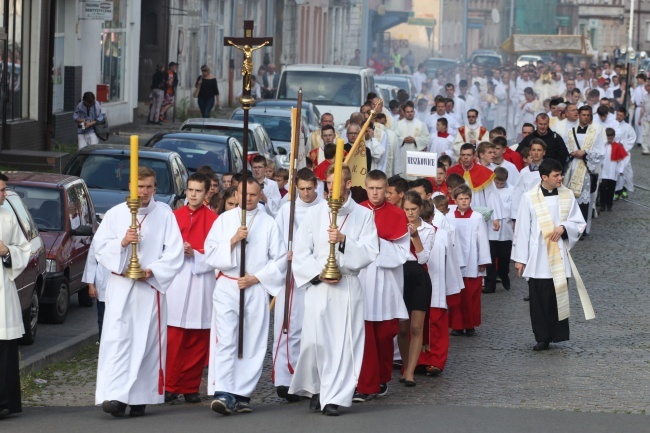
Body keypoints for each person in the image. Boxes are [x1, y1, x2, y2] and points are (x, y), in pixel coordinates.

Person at [289, 165, 379, 416]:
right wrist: (318, 274)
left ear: (349, 184)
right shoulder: (315, 213)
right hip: (319, 286)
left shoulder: (363, 215)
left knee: (342, 343)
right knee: (315, 342)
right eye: (327, 184)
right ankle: (318, 388)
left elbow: (370, 252)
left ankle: (335, 397)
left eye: (335, 183)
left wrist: (343, 241)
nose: (330, 189)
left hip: (346, 286)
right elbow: (301, 251)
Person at [95, 167, 184, 417]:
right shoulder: (116, 214)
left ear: (155, 188)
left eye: (149, 187)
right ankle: (116, 395)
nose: (144, 192)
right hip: (121, 286)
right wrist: (122, 243)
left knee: (146, 343)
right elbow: (100, 248)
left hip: (149, 289)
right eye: (139, 187)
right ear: (131, 187)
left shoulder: (165, 214)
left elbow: (174, 252)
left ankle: (139, 397)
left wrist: (152, 270)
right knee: (118, 340)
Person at [205, 178, 287, 415]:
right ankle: (223, 391)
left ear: (260, 194)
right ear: (237, 193)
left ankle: (242, 393)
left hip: (253, 286)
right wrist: (233, 241)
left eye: (253, 194)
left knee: (251, 340)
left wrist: (257, 277)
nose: (248, 198)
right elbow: (210, 253)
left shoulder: (268, 223)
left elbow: (280, 258)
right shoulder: (225, 220)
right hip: (228, 286)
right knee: (227, 338)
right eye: (244, 194)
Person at [511, 159, 587, 351]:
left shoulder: (567, 195)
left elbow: (579, 223)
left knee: (557, 296)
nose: (560, 178)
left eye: (561, 174)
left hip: (559, 255)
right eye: (556, 175)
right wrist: (520, 259)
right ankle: (542, 337)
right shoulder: (529, 197)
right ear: (544, 177)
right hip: (537, 257)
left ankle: (557, 334)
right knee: (538, 299)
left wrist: (563, 227)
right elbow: (522, 229)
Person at [355, 170, 409, 401]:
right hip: (361, 280)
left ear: (386, 189)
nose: (375, 193)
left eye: (380, 188)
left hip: (385, 283)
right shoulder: (356, 212)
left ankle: (382, 378)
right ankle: (365, 384)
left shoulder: (397, 215)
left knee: (385, 335)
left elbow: (401, 253)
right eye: (371, 188)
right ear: (366, 188)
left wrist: (376, 243)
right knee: (363, 335)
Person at [165, 173, 217, 403]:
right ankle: (169, 386)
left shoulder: (214, 220)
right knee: (174, 338)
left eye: (198, 191)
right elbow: (163, 248)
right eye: (190, 190)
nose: (193, 194)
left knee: (197, 338)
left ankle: (190, 387)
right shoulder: (173, 217)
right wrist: (179, 251)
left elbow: (217, 256)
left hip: (201, 283)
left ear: (206, 194)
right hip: (177, 281)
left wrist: (194, 253)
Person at [272, 168, 323, 402]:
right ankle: (284, 377)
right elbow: (279, 240)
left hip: (315, 274)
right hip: (291, 273)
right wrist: (286, 255)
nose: (305, 193)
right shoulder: (286, 210)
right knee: (287, 324)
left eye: (309, 189)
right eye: (301, 189)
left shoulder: (324, 208)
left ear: (316, 186)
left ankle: (310, 380)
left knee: (312, 327)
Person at [0, 172, 31, 420]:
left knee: (4, 349)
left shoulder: (9, 217)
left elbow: (25, 249)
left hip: (2, 291)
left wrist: (5, 250)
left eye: (4, 189)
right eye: (0, 190)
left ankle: (4, 401)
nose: (4, 194)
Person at [397, 191, 434, 387]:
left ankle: (411, 371)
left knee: (416, 327)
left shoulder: (429, 229)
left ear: (420, 209)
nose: (410, 213)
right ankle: (405, 365)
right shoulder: (396, 226)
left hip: (418, 275)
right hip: (400, 274)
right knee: (402, 329)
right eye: (406, 209)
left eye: (413, 209)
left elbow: (423, 257)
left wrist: (415, 236)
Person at [446, 184, 490, 336]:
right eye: (460, 199)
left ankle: (470, 325)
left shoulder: (477, 217)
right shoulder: (448, 217)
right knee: (457, 295)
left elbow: (483, 239)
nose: (464, 201)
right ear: (454, 200)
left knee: (471, 296)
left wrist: (483, 260)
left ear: (470, 199)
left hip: (472, 261)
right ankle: (457, 326)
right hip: (455, 262)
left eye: (466, 198)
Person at [563, 106, 605, 234]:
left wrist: (585, 152)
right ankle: (571, 228)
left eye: (588, 115)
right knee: (571, 201)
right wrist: (572, 153)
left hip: (585, 170)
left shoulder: (594, 133)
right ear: (579, 115)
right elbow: (565, 147)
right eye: (583, 114)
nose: (585, 117)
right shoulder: (571, 132)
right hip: (572, 168)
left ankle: (581, 229)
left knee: (584, 202)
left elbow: (600, 152)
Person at [483, 167, 514, 293]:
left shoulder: (512, 190)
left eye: (502, 183)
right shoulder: (488, 189)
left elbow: (513, 207)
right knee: (490, 257)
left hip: (506, 229)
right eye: (497, 183)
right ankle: (490, 284)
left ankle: (504, 274)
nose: (499, 185)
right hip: (490, 228)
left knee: (504, 257)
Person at [395, 101, 431, 180]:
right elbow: (394, 138)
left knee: (416, 179)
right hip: (402, 155)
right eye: (407, 112)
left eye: (411, 111)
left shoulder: (421, 124)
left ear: (414, 112)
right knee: (403, 177)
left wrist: (415, 140)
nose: (410, 113)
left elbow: (426, 138)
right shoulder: (398, 124)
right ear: (404, 113)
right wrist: (403, 139)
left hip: (416, 155)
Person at [82, 242, 109, 340]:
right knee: (103, 319)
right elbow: (91, 262)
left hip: (121, 286)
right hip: (103, 285)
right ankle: (102, 348)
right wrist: (90, 285)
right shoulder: (100, 237)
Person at [599, 128, 628, 212]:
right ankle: (602, 205)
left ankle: (609, 205)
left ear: (614, 136)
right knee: (602, 188)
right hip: (603, 171)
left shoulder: (617, 146)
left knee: (611, 189)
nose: (609, 139)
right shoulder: (602, 145)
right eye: (608, 137)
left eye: (611, 137)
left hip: (613, 171)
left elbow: (621, 160)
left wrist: (620, 170)